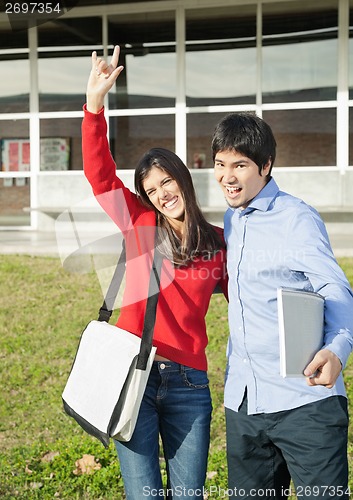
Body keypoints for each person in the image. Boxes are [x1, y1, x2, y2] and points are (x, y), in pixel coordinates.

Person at [82, 46, 228, 500]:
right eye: (152, 189)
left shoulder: (221, 242)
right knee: (143, 495)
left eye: (167, 181)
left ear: (183, 179)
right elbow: (101, 176)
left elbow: (249, 296)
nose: (163, 193)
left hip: (189, 383)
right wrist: (94, 106)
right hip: (133, 376)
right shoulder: (140, 225)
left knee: (189, 496)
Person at [211, 112, 353, 499]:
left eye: (240, 165)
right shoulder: (232, 219)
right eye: (220, 164)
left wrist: (337, 350)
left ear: (266, 165)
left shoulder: (296, 217)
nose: (227, 176)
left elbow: (335, 288)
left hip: (304, 403)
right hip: (244, 404)